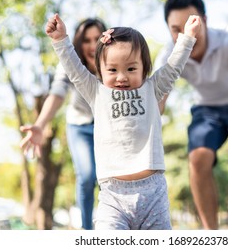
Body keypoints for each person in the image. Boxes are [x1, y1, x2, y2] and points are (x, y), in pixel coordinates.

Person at [45, 13, 200, 230]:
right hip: (113, 197)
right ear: (100, 70)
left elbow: (173, 67)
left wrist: (187, 39)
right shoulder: (96, 92)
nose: (121, 77)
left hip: (153, 193)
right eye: (112, 70)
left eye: (131, 69)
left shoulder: (152, 89)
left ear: (144, 69)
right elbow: (74, 70)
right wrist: (60, 39)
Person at [156, 0, 228, 230]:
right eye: (175, 29)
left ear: (204, 21)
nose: (184, 35)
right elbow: (157, 99)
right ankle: (211, 236)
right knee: (198, 158)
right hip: (207, 109)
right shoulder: (169, 53)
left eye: (191, 25)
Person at [19, 18, 107, 230]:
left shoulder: (113, 60)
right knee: (87, 176)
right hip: (80, 126)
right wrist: (40, 125)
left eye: (97, 39)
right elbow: (57, 93)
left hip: (108, 127)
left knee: (108, 178)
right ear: (78, 42)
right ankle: (87, 233)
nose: (92, 45)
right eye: (86, 40)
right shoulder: (70, 61)